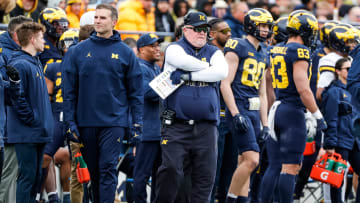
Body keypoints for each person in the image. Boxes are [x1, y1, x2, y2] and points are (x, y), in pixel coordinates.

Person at [62, 4, 143, 202]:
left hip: (114, 123)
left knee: (108, 168)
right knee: (93, 174)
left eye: (103, 18)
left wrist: (137, 124)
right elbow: (69, 92)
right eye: (96, 17)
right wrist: (70, 122)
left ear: (114, 22)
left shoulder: (125, 53)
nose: (97, 21)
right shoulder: (77, 51)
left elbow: (136, 93)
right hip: (86, 122)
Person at [155, 11, 228, 203]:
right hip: (177, 125)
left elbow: (221, 71)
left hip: (206, 127)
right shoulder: (174, 48)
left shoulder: (215, 51)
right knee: (171, 170)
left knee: (205, 176)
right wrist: (208, 69)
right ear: (186, 30)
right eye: (197, 29)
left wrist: (189, 76)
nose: (202, 33)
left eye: (205, 30)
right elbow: (183, 61)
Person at [263, 11, 326, 202]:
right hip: (292, 111)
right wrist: (317, 115)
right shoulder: (300, 51)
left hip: (277, 108)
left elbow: (268, 80)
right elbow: (304, 89)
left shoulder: (277, 49)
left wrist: (271, 108)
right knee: (290, 167)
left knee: (274, 165)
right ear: (304, 30)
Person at [220, 8, 272, 203]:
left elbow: (262, 92)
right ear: (250, 25)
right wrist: (234, 113)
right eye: (262, 25)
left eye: (268, 26)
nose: (266, 30)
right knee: (252, 160)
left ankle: (242, 200)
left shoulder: (264, 51)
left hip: (253, 110)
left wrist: (265, 123)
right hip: (239, 107)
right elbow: (225, 83)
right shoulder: (237, 45)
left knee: (244, 161)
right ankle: (230, 200)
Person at [7, 21, 54, 203]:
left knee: (34, 178)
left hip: (37, 132)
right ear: (33, 40)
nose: (45, 41)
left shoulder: (34, 63)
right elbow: (16, 97)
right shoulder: (20, 64)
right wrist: (33, 119)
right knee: (26, 177)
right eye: (42, 38)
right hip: (27, 133)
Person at [43, 29, 79, 203]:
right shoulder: (53, 67)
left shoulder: (86, 66)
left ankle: (70, 198)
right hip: (58, 115)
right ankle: (37, 196)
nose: (70, 47)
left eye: (74, 43)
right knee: (44, 156)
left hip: (79, 116)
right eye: (67, 43)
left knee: (81, 160)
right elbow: (46, 98)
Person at [0, 15, 33, 203]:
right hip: (8, 127)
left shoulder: (18, 53)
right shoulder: (7, 55)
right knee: (7, 176)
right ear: (16, 35)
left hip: (13, 126)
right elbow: (9, 94)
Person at [321, 57, 360, 203]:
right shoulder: (333, 92)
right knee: (336, 180)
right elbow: (330, 119)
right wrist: (330, 144)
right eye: (347, 69)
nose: (350, 72)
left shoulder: (353, 90)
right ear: (338, 71)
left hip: (353, 139)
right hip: (340, 140)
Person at [208, 18, 236, 203]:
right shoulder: (207, 54)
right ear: (212, 34)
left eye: (229, 31)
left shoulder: (232, 54)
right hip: (214, 116)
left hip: (231, 116)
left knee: (230, 168)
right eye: (224, 31)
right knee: (213, 170)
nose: (229, 34)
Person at [133, 33, 162, 203]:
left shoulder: (155, 68)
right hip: (145, 132)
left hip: (157, 131)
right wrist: (169, 82)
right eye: (153, 46)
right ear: (141, 49)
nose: (157, 49)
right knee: (141, 176)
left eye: (158, 45)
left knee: (160, 177)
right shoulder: (138, 67)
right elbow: (148, 94)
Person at [316, 23, 358, 101]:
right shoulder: (330, 59)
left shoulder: (350, 58)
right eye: (350, 41)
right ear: (338, 43)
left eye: (354, 41)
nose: (353, 45)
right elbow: (320, 93)